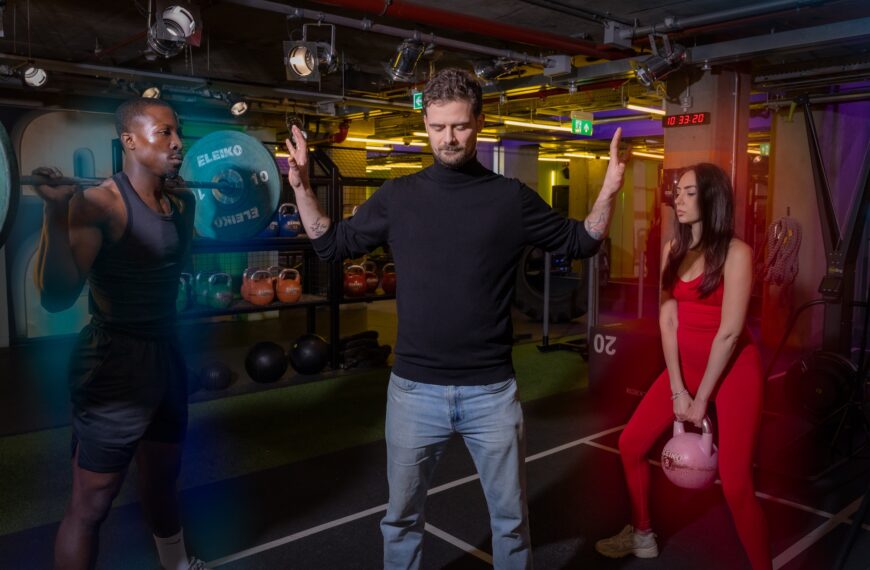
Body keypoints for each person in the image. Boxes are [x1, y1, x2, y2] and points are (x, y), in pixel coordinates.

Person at [285, 67, 629, 569]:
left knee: (510, 523)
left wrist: (611, 187)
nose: (449, 138)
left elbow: (581, 241)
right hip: (413, 392)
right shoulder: (398, 198)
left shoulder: (509, 199)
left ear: (479, 124)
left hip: (491, 393)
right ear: (425, 124)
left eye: (460, 126)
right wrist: (301, 185)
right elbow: (332, 245)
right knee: (400, 519)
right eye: (438, 127)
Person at [33, 98, 206, 570]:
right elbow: (56, 296)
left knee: (162, 481)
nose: (177, 143)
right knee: (92, 503)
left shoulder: (184, 202)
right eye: (164, 133)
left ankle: (177, 565)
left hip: (166, 356)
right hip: (114, 363)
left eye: (178, 133)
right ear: (129, 141)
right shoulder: (98, 205)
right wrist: (56, 214)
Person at [595, 163, 771, 569]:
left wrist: (700, 400)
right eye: (678, 191)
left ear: (712, 198)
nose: (679, 198)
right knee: (630, 445)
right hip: (685, 368)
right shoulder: (672, 249)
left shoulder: (737, 253)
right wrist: (677, 388)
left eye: (690, 192)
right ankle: (641, 535)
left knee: (737, 484)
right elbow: (667, 318)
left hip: (732, 372)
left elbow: (729, 334)